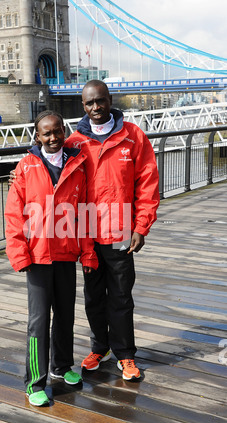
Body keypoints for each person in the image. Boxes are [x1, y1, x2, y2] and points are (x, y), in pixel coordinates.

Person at [65, 80, 160, 381]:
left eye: (101, 101)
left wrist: (141, 226)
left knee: (120, 295)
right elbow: (49, 170)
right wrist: (19, 176)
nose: (96, 108)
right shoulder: (74, 142)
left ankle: (125, 354)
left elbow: (147, 183)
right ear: (83, 106)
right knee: (93, 296)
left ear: (110, 100)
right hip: (88, 234)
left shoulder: (133, 137)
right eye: (90, 103)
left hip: (120, 230)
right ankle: (99, 347)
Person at [4, 110, 98, 406]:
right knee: (39, 320)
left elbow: (84, 213)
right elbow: (13, 214)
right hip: (38, 255)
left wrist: (88, 251)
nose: (54, 138)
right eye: (47, 133)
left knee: (65, 315)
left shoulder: (78, 166)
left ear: (64, 131)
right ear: (38, 136)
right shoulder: (26, 167)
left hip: (66, 253)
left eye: (58, 131)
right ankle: (35, 382)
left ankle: (61, 367)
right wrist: (19, 253)